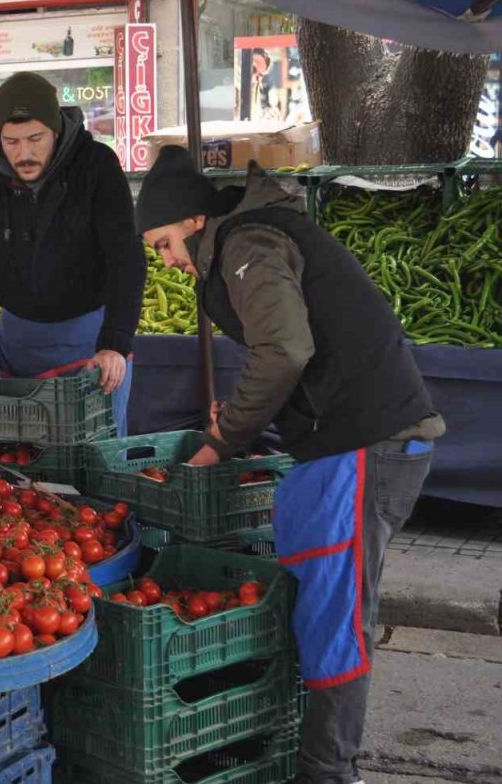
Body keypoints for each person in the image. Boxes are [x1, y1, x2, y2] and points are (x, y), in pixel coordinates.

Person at [135, 145, 445, 784]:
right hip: (346, 440)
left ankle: (327, 773)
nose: (167, 262)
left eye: (164, 244)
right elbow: (291, 352)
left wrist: (222, 442)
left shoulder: (249, 245)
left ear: (194, 223)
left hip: (366, 442)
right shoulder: (253, 241)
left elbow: (284, 349)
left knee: (334, 619)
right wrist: (242, 417)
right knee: (322, 606)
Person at [0, 71, 145, 435]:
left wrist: (114, 343)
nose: (24, 153)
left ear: (56, 130)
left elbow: (126, 256)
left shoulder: (96, 165)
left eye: (36, 139)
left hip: (90, 344)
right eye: (11, 141)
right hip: (19, 343)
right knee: (26, 460)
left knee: (95, 456)